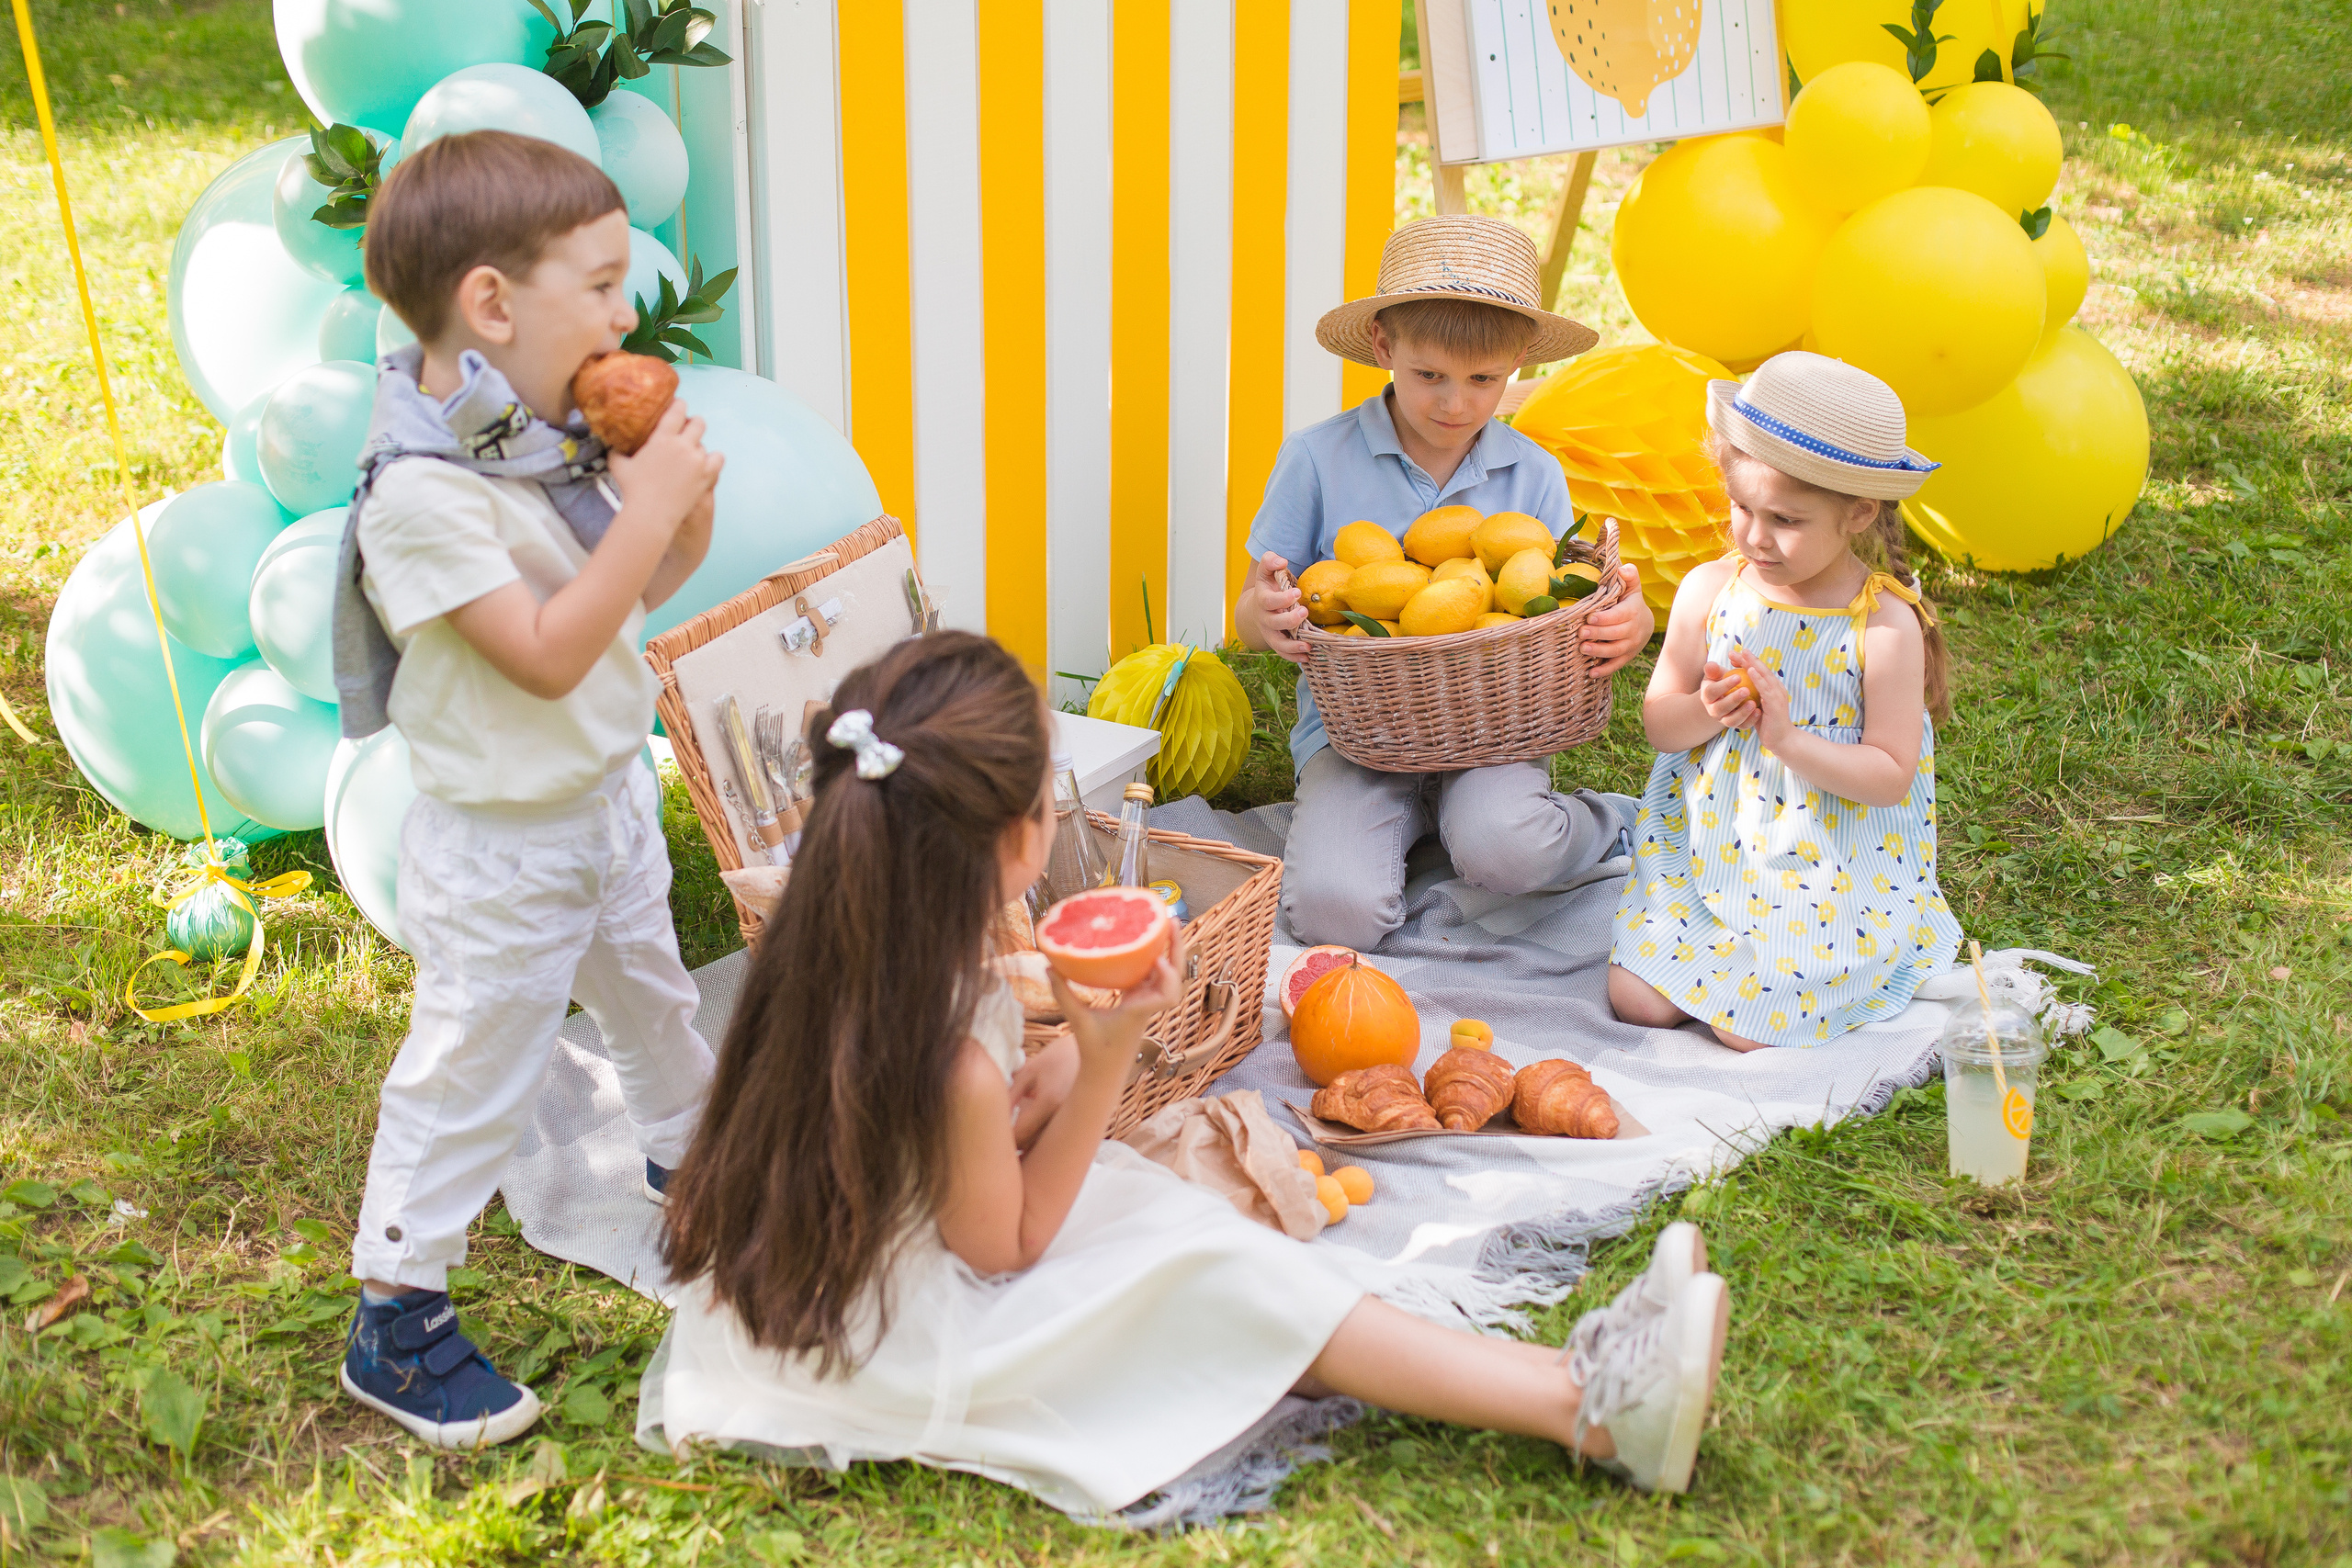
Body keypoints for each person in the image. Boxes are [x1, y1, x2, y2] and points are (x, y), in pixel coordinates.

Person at [641, 631, 1733, 1512]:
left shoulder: (859, 926)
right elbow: (1008, 1241)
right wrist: (1103, 1059)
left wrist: (1050, 1072)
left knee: (1187, 1238)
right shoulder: (944, 1051)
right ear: (1016, 839)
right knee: (1216, 1274)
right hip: (900, 1335)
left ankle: (1569, 1379)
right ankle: (1584, 1406)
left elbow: (926, 1138)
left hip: (868, 1254)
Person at [328, 130, 726, 1449]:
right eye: (601, 286)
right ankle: (397, 1313)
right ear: (492, 304)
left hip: (602, 801)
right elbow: (548, 652)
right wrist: (644, 504)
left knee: (653, 995)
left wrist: (679, 511)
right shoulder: (422, 494)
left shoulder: (535, 440)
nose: (623, 317)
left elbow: (627, 596)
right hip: (502, 846)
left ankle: (688, 1163)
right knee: (472, 1063)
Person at [1231, 216, 1657, 952]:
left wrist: (1632, 623)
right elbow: (1245, 615)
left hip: (1498, 728)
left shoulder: (1533, 473)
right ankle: (1415, 826)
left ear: (1517, 362)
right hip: (1356, 735)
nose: (1455, 404)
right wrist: (1264, 615)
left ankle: (1602, 820)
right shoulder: (1316, 458)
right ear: (1383, 346)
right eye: (1429, 375)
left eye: (1483, 380)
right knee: (1334, 915)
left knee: (1508, 851)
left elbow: (1576, 597)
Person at [1609, 352, 1963, 1051]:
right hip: (1710, 851)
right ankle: (1710, 943)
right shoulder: (1710, 591)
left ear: (1859, 512)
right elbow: (1659, 723)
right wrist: (1708, 710)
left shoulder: (1882, 626)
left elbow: (1890, 777)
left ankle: (1823, 960)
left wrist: (1789, 741)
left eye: (1786, 519)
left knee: (1746, 1031)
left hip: (1824, 862)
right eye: (1742, 507)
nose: (1753, 536)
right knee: (1637, 1003)